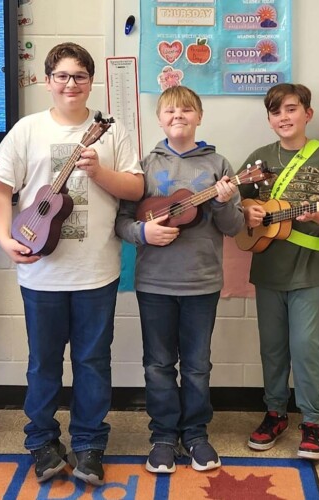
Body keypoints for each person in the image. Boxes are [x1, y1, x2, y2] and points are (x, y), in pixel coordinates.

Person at [0, 42, 143, 486]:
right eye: (62, 75)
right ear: (47, 80)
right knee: (43, 363)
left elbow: (134, 188)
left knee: (93, 360)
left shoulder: (112, 133)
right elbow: (0, 190)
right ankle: (42, 442)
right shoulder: (26, 129)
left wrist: (99, 173)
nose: (70, 84)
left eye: (79, 76)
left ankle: (91, 444)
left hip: (97, 270)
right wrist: (3, 239)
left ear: (90, 81)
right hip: (40, 272)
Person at [114, 86, 243, 474]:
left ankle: (196, 434)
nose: (178, 116)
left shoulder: (219, 165)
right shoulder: (143, 165)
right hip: (154, 283)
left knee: (198, 365)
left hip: (202, 282)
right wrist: (143, 234)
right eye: (169, 110)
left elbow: (235, 227)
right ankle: (163, 436)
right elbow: (122, 221)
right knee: (157, 363)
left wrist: (222, 202)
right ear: (159, 118)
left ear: (199, 116)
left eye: (186, 110)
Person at [239, 83, 319, 461]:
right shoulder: (258, 159)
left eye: (291, 109)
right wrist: (248, 211)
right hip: (267, 267)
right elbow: (240, 208)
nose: (284, 117)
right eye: (276, 112)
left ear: (307, 114)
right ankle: (274, 413)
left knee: (305, 346)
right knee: (272, 348)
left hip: (310, 269)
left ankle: (314, 421)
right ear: (269, 120)